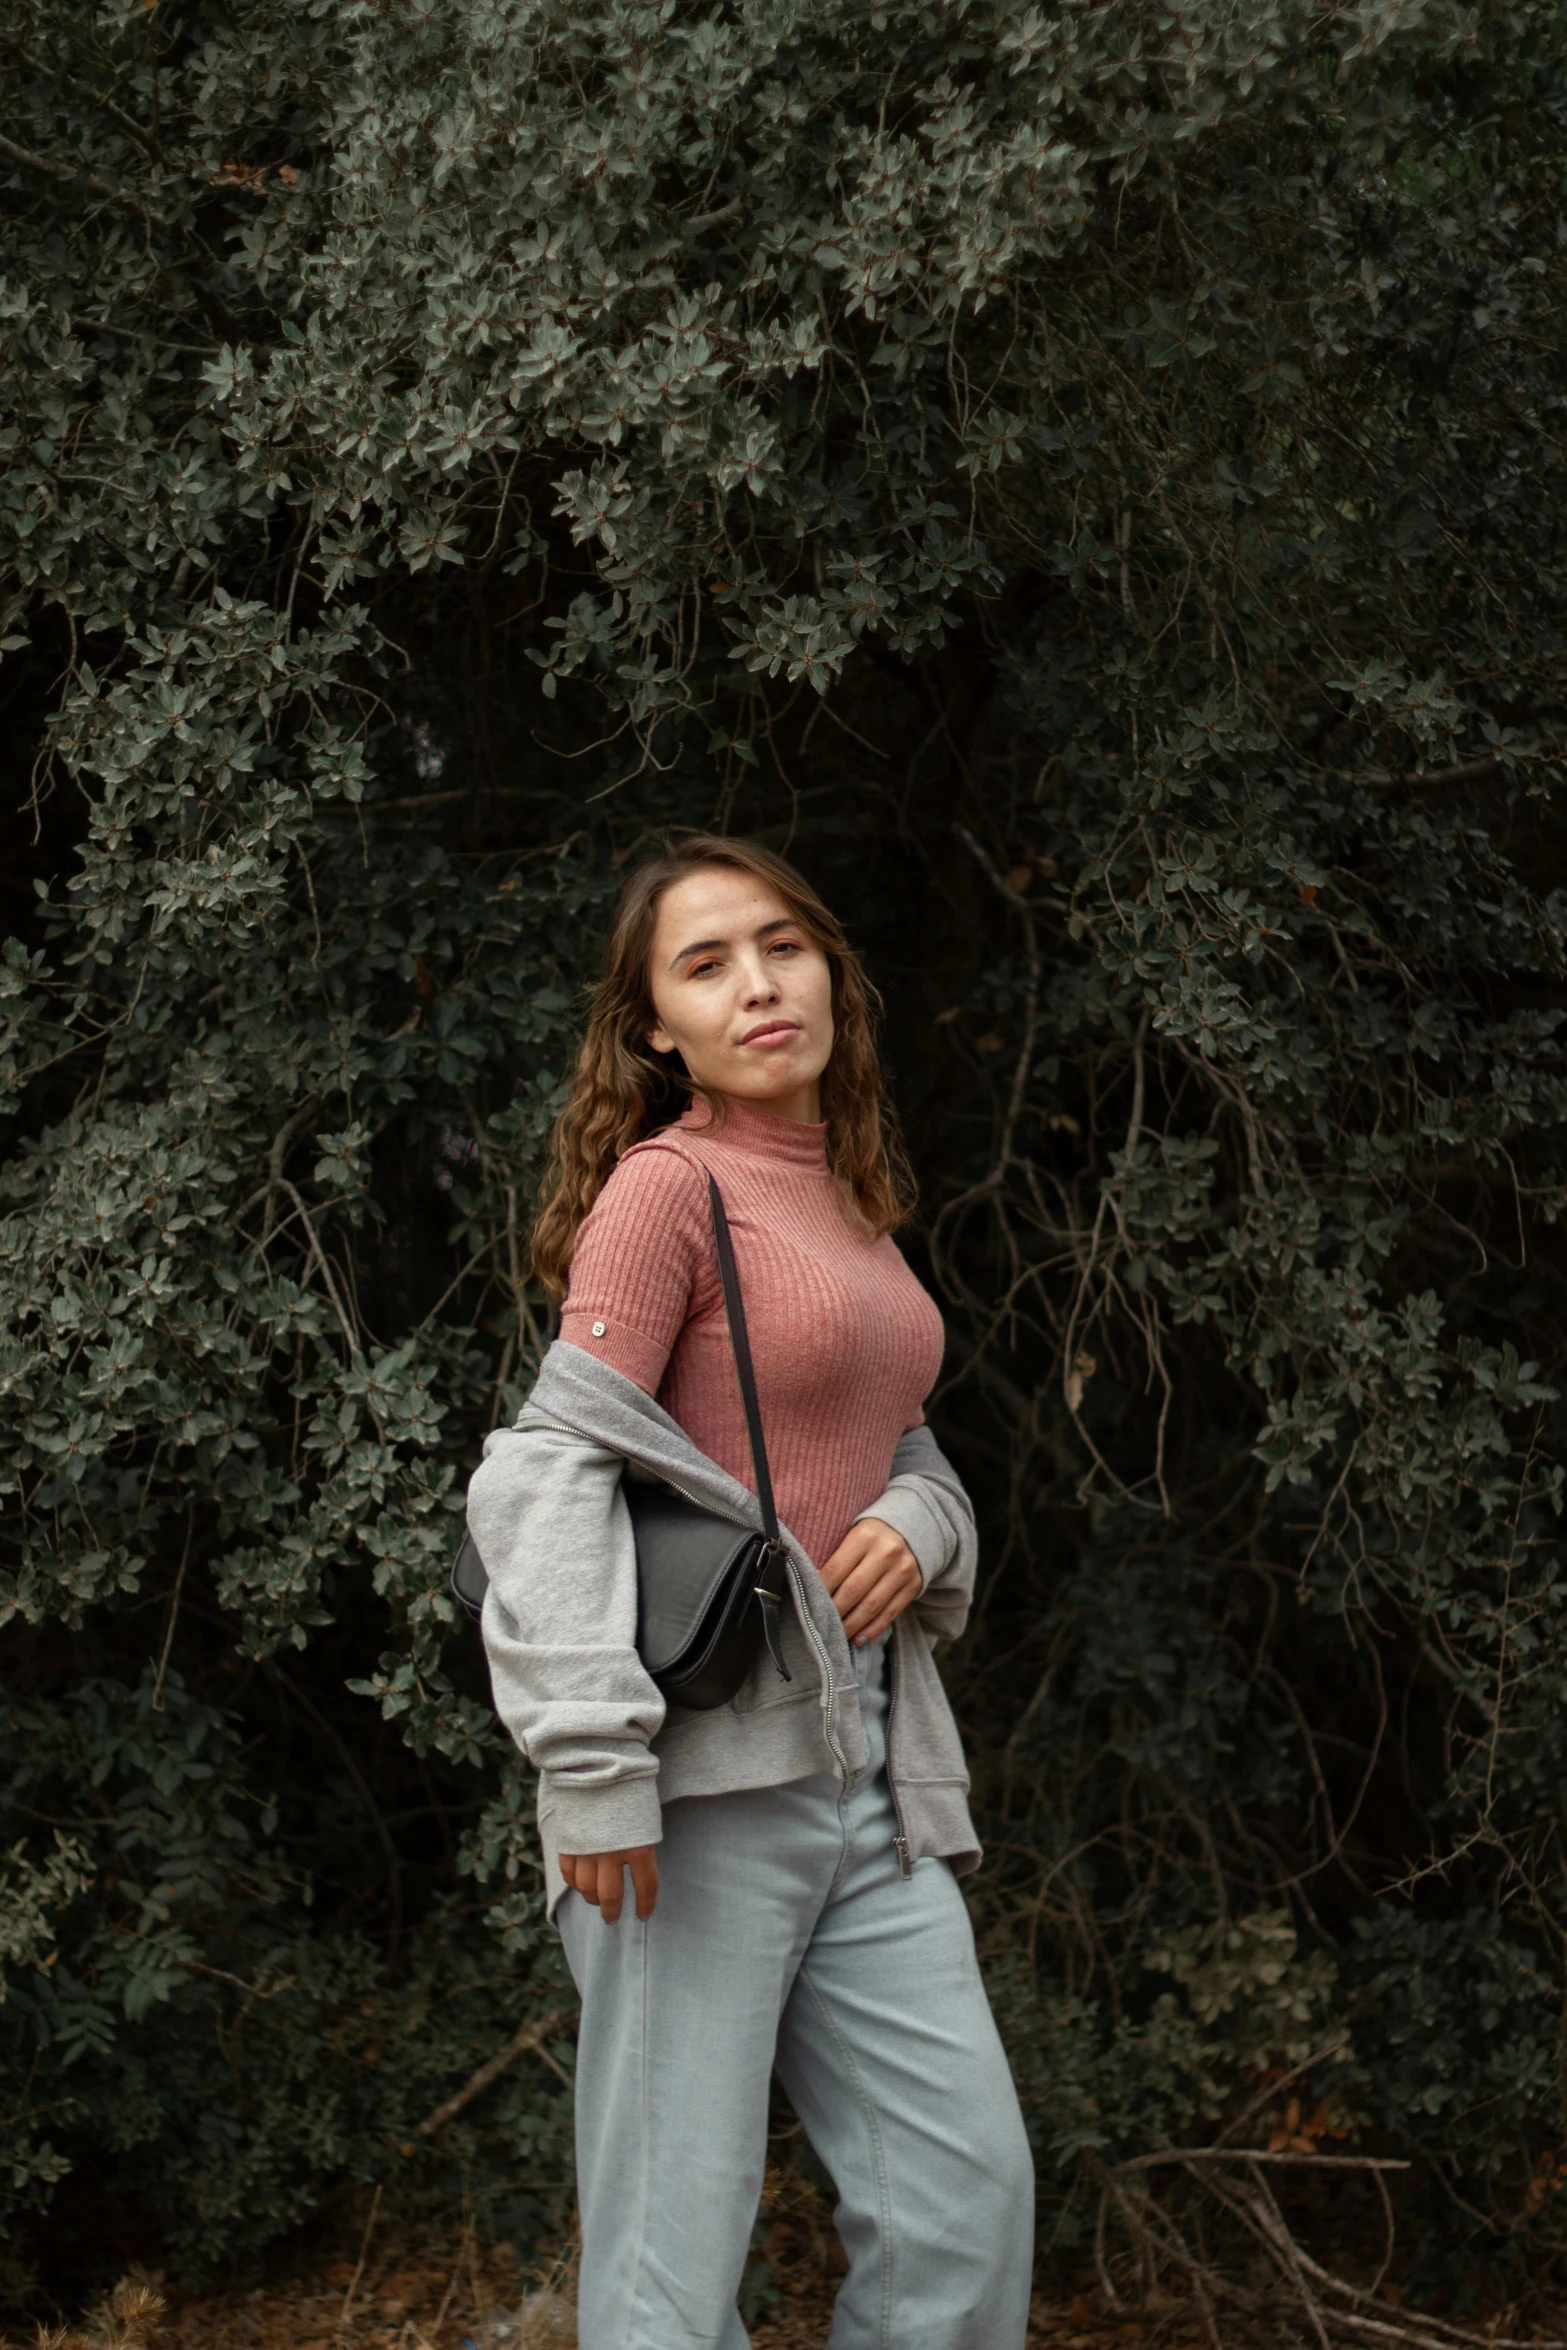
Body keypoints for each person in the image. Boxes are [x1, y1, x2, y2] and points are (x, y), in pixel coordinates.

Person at [466, 834, 1034, 2350]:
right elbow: (543, 1473)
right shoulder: (665, 1190)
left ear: (828, 971)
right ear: (654, 1027)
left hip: (869, 1780)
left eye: (780, 945)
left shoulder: (844, 1191)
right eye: (704, 962)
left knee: (962, 2201)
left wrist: (924, 1513)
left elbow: (892, 1433)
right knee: (670, 2251)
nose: (757, 983)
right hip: (694, 1793)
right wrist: (590, 1767)